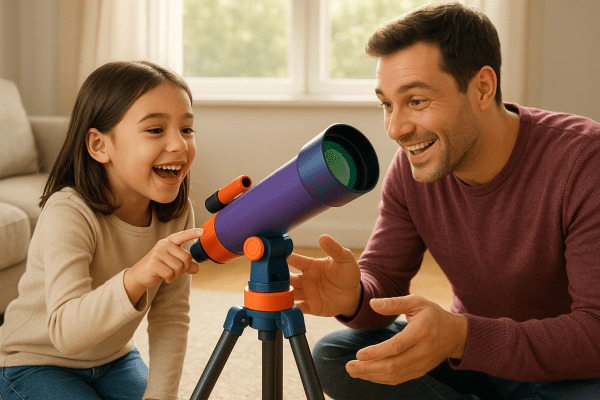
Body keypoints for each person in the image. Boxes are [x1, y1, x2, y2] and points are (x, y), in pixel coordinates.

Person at [288, 2, 600, 399]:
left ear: (482, 88)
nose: (396, 128)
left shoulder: (585, 161)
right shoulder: (414, 166)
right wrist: (354, 296)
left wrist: (463, 337)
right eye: (387, 104)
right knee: (334, 356)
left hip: (567, 371)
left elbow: (595, 332)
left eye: (416, 101)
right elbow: (383, 279)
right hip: (473, 358)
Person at [0, 60, 202, 400]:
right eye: (155, 130)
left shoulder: (178, 213)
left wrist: (161, 396)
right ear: (99, 146)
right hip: (33, 362)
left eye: (187, 129)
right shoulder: (68, 212)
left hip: (115, 359)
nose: (180, 145)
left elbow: (171, 316)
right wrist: (137, 276)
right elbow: (67, 334)